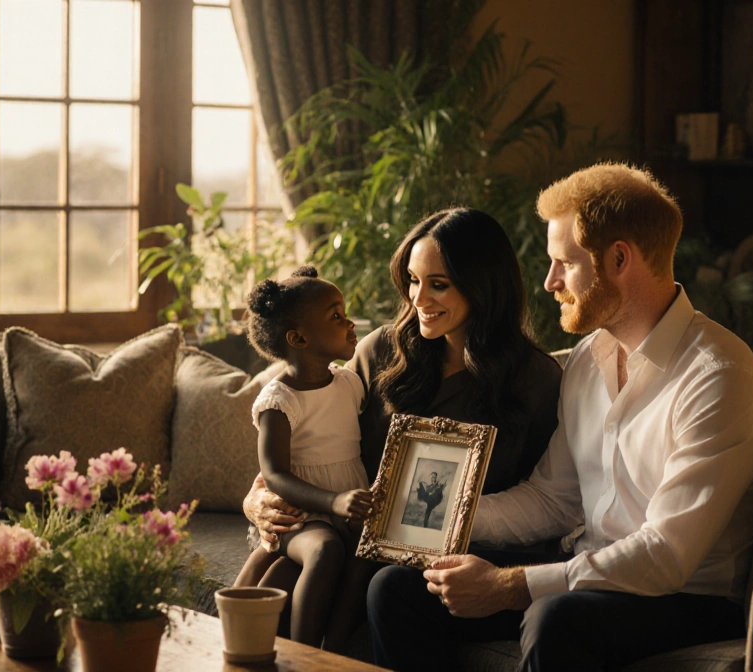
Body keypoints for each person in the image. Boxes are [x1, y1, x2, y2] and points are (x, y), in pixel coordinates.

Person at [367, 163, 753, 671]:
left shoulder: (718, 376)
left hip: (690, 598)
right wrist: (427, 518)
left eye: (564, 262)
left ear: (619, 258)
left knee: (552, 618)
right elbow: (554, 500)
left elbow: (666, 556)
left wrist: (511, 586)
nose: (549, 282)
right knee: (400, 588)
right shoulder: (588, 358)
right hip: (585, 574)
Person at [241, 208, 564, 647]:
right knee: (283, 574)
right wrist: (257, 498)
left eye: (439, 285)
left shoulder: (536, 380)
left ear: (484, 286)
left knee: (378, 583)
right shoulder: (380, 351)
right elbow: (306, 436)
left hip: (448, 558)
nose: (418, 299)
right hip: (349, 536)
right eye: (412, 280)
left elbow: (546, 501)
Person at [231, 265, 376, 649]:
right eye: (336, 316)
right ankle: (305, 653)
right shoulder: (279, 401)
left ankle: (338, 649)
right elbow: (275, 475)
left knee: (368, 550)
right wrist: (334, 501)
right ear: (298, 337)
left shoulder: (349, 382)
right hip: (301, 517)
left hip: (350, 508)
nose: (349, 323)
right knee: (326, 549)